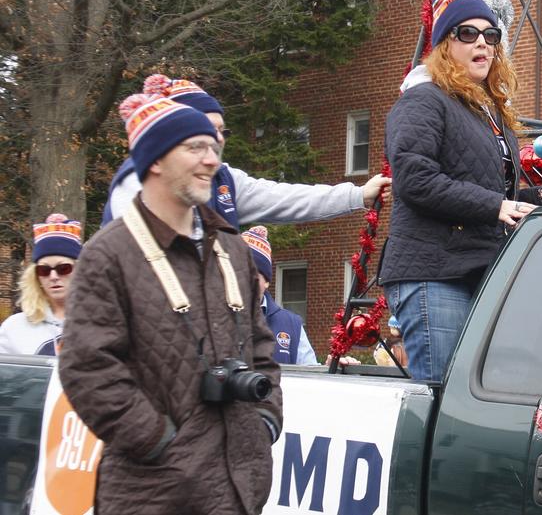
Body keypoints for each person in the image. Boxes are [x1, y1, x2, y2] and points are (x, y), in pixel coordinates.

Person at [59, 92, 281, 515]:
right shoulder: (108, 255)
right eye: (194, 147)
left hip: (238, 489)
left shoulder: (232, 251)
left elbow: (261, 347)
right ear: (155, 160)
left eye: (213, 148)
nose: (211, 160)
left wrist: (264, 422)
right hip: (153, 494)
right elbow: (87, 368)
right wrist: (159, 441)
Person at [381, 0, 542, 381]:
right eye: (467, 33)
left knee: (475, 396)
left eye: (491, 35)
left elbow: (489, 194)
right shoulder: (423, 100)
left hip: (478, 269)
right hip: (432, 273)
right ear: (443, 45)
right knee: (442, 399)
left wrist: (538, 196)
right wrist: (497, 206)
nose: (482, 42)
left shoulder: (488, 113)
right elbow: (415, 179)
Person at [102, 70, 389, 228]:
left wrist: (357, 194)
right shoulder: (136, 179)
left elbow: (285, 198)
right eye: (204, 130)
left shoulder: (225, 179)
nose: (217, 140)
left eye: (221, 131)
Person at [0, 214, 82, 355]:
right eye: (44, 270)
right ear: (36, 277)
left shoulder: (105, 322)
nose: (53, 276)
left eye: (63, 269)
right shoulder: (14, 328)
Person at [241, 225, 319, 365]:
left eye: (254, 272)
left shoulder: (291, 324)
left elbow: (311, 374)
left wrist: (333, 368)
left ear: (267, 282)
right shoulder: (216, 317)